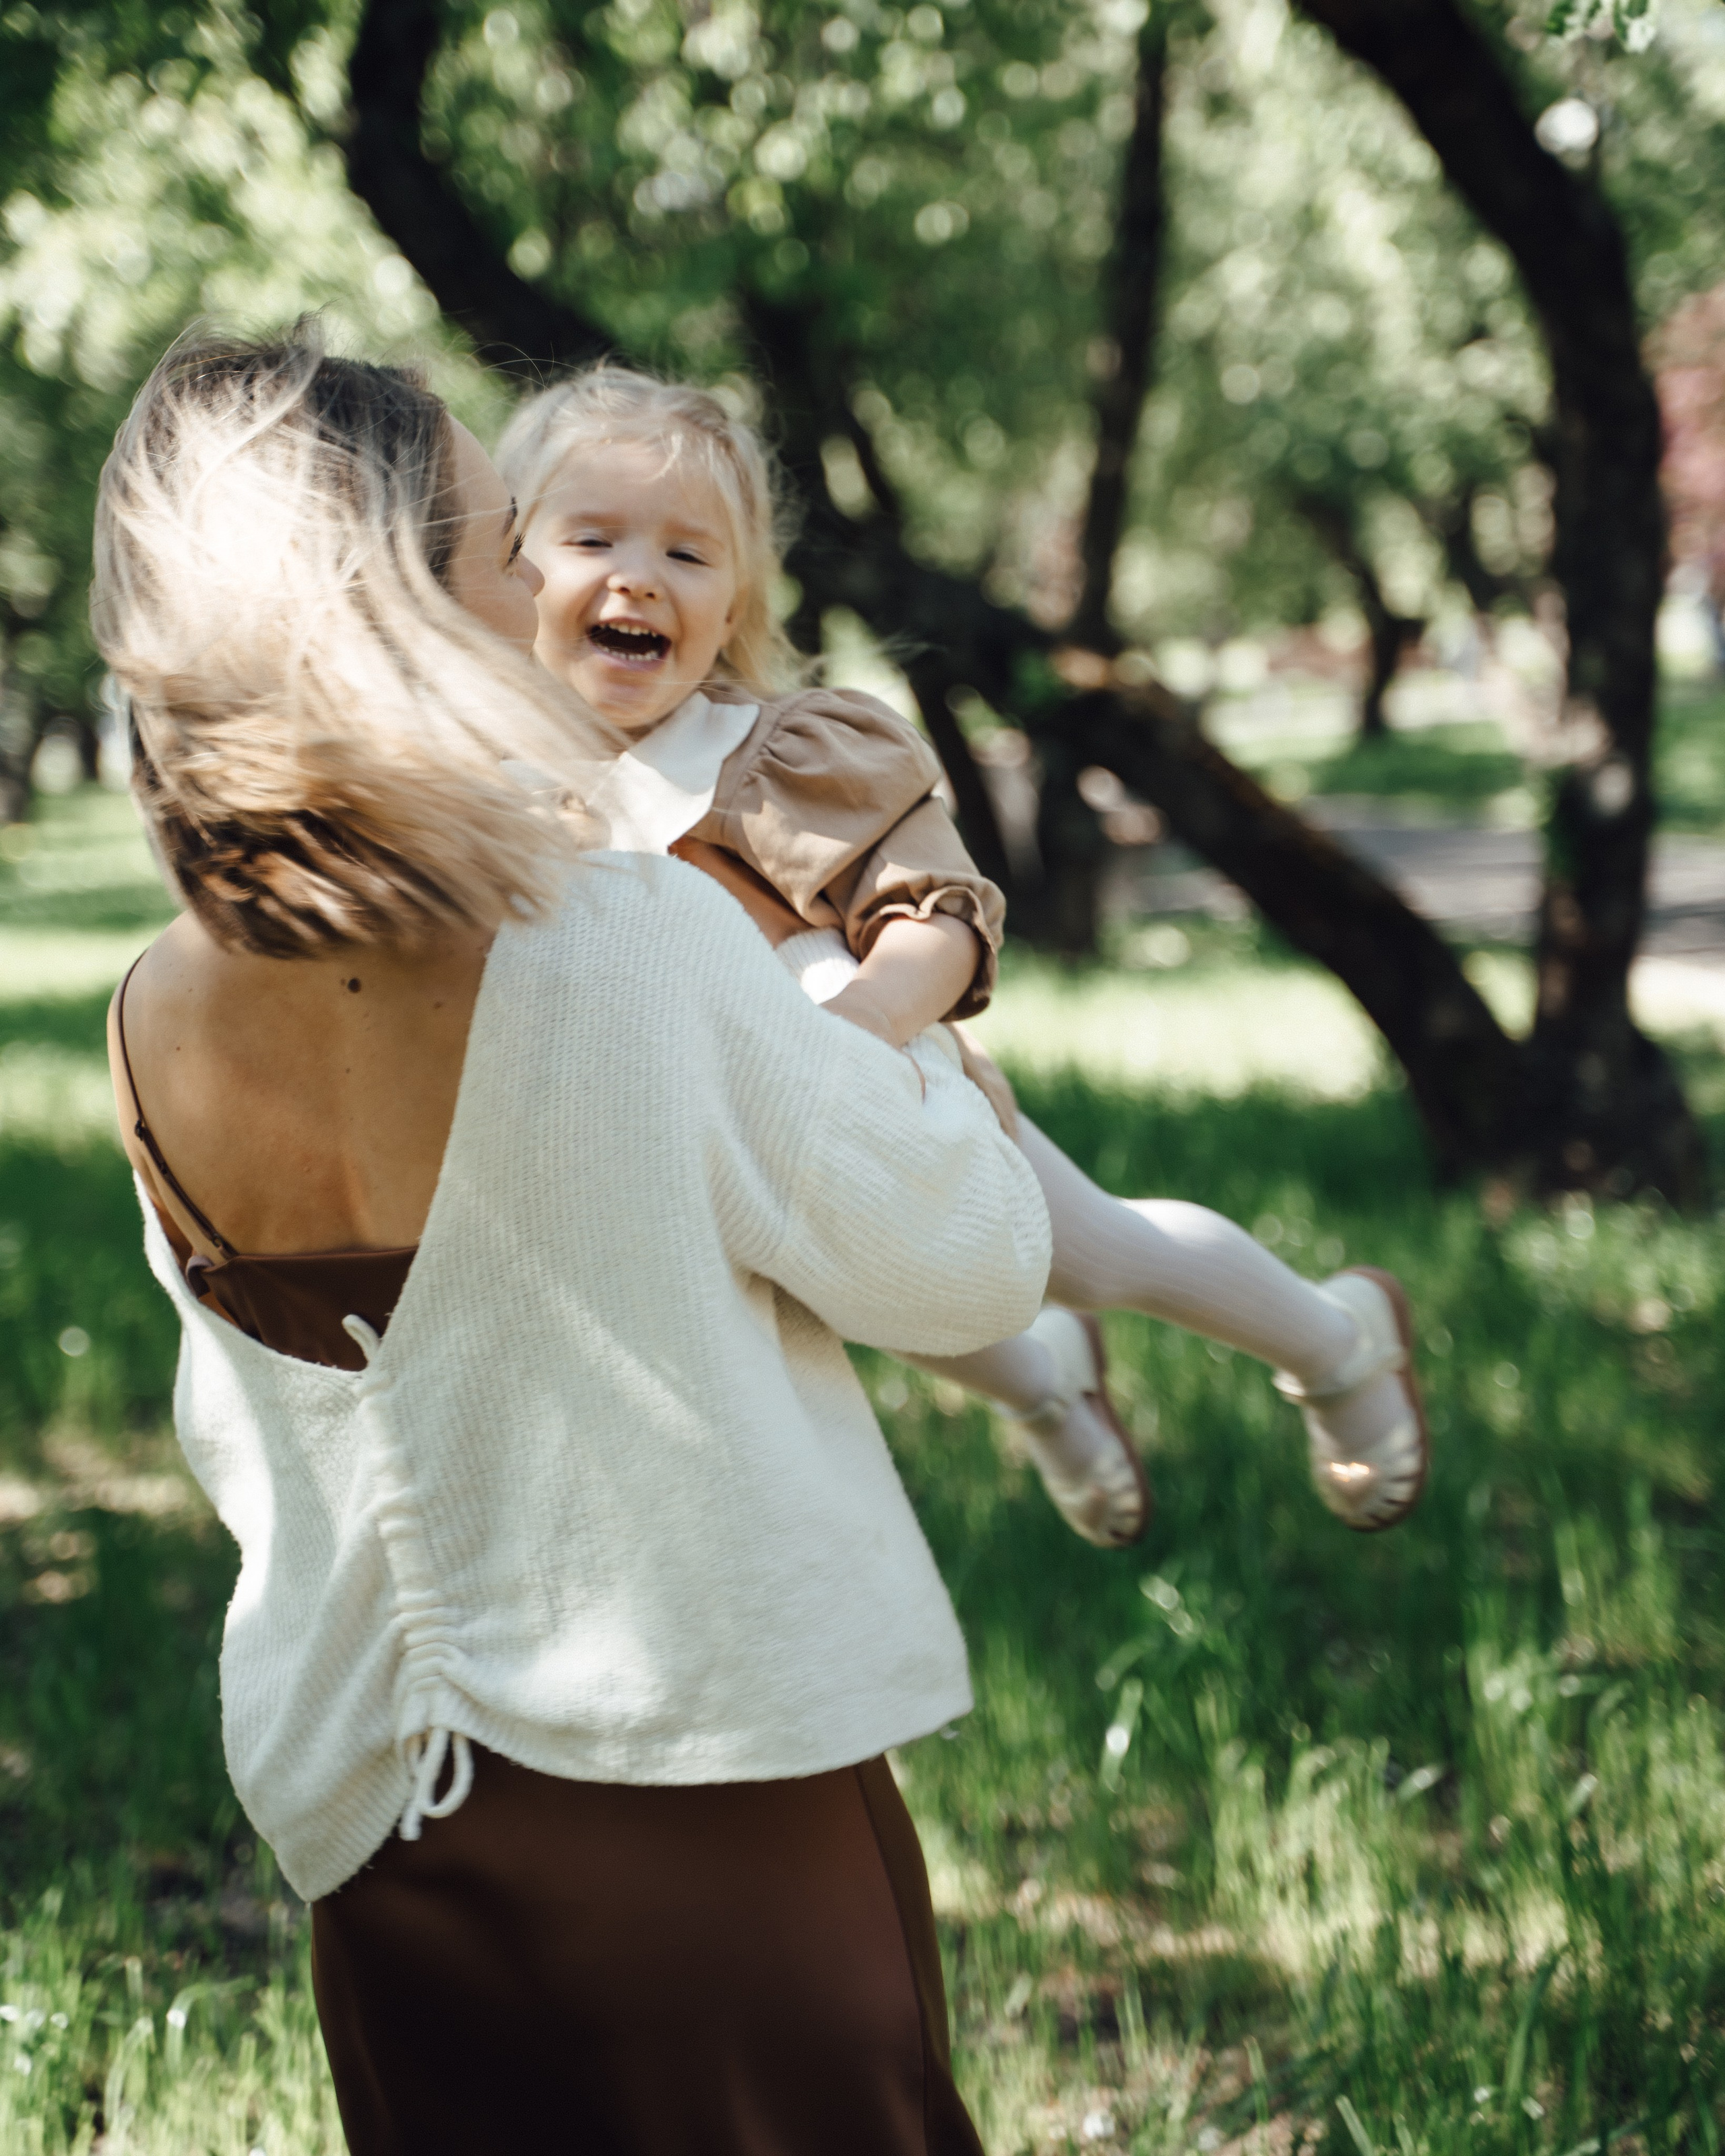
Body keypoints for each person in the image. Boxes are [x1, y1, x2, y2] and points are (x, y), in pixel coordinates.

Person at [96, 325, 1054, 2155]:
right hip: (706, 1802)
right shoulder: (620, 943)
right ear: (399, 603)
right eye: (494, 542)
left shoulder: (151, 1010)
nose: (534, 579)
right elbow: (971, 1268)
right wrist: (909, 1039)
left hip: (386, 1824)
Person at [493, 365, 1430, 1548]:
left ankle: (1337, 1342)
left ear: (734, 604)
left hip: (866, 1079)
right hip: (678, 1138)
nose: (638, 574)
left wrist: (863, 1030)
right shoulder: (493, 794)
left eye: (688, 554)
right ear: (504, 567)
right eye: (592, 538)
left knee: (1093, 1253)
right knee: (872, 1303)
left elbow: (933, 913)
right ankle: (1049, 1389)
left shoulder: (766, 759)